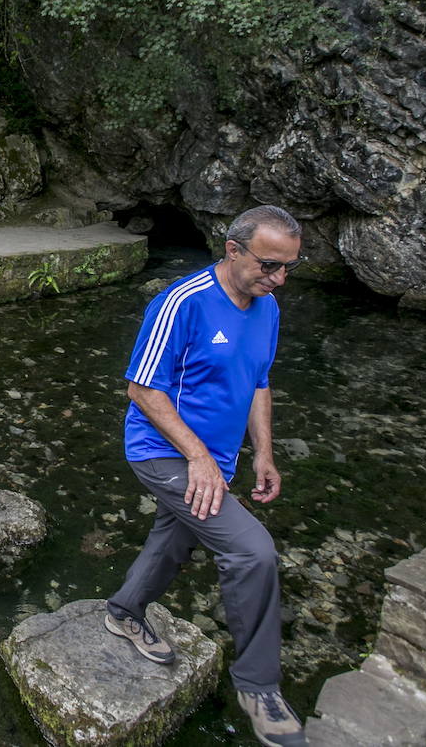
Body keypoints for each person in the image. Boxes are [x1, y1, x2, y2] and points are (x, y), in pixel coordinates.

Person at [105, 205, 309, 747]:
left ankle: (124, 611)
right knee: (251, 551)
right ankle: (258, 686)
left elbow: (258, 381)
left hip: (217, 459)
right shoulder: (181, 302)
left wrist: (263, 454)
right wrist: (198, 459)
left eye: (289, 267)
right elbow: (143, 390)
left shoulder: (267, 306)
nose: (278, 279)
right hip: (161, 452)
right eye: (269, 265)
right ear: (233, 250)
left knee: (179, 535)